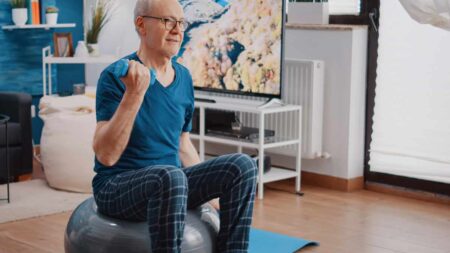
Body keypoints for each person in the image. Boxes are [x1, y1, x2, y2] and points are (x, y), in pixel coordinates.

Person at [91, 0, 258, 252]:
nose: (178, 30)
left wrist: (212, 194)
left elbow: (182, 144)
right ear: (141, 24)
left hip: (171, 185)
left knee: (242, 166)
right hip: (117, 187)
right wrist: (134, 94)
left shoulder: (184, 77)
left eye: (181, 22)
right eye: (168, 21)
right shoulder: (118, 75)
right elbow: (105, 155)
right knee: (170, 175)